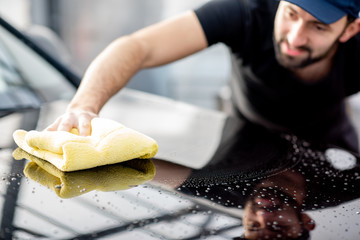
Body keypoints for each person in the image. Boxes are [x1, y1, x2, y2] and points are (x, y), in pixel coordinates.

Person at [47, 0, 360, 152]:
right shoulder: (247, 13)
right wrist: (83, 107)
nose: (294, 37)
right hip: (243, 142)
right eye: (291, 13)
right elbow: (138, 46)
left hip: (331, 149)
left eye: (318, 27)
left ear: (350, 29)